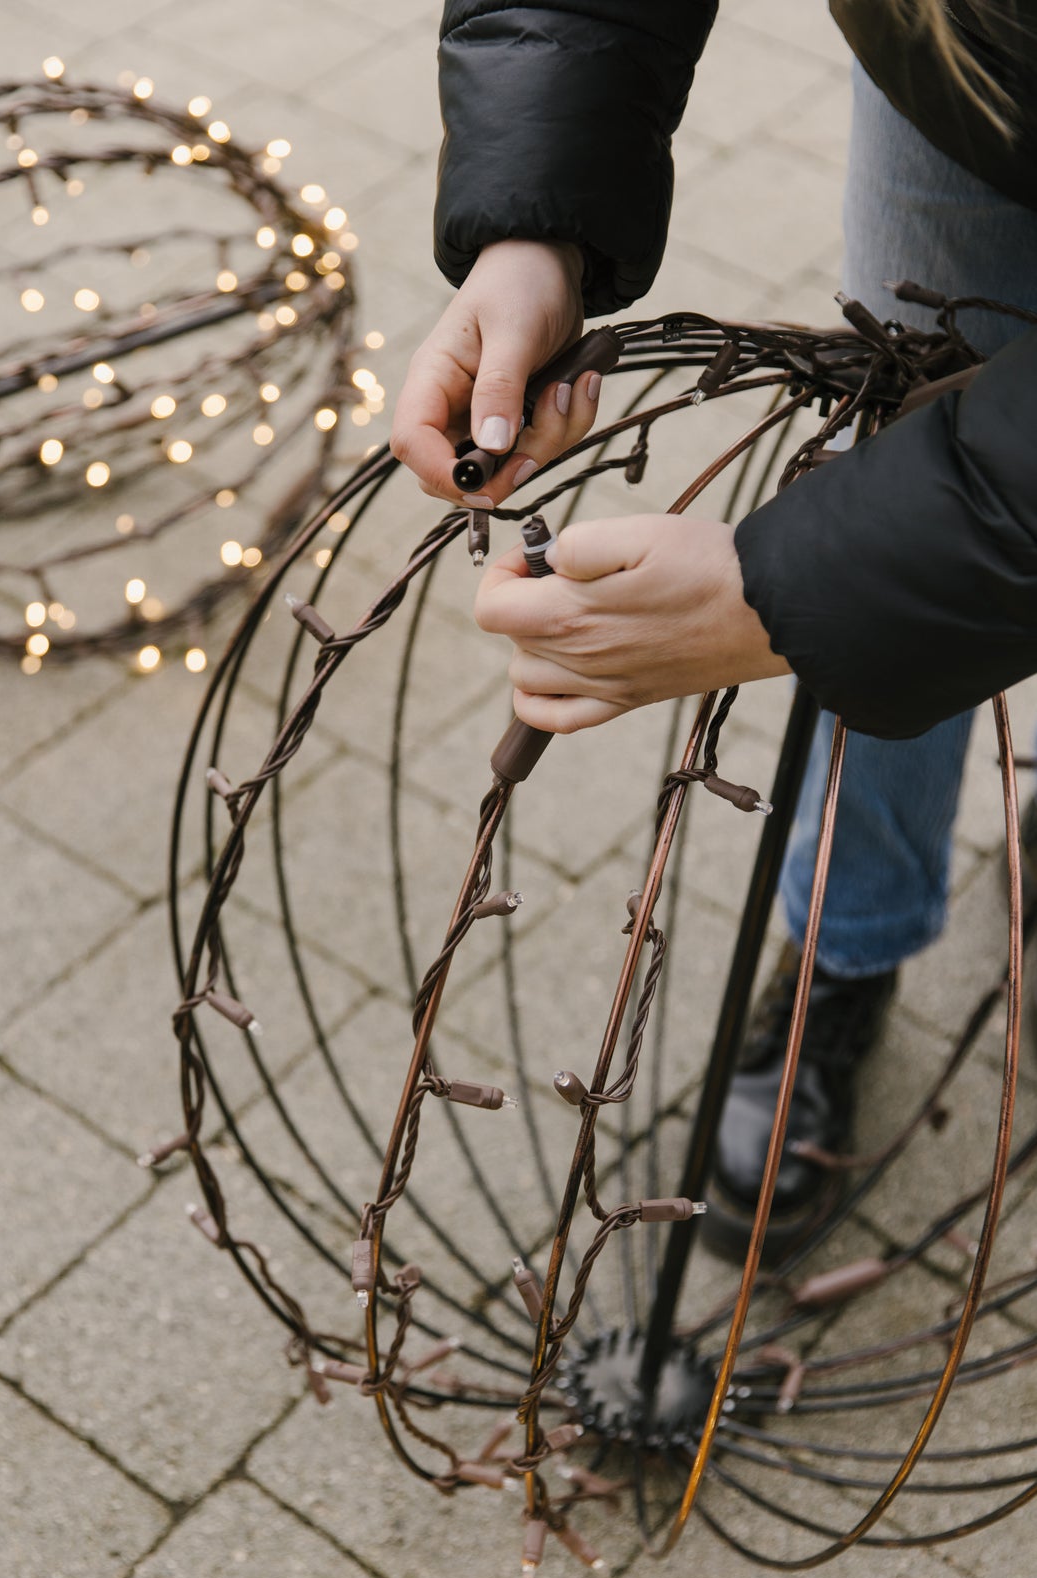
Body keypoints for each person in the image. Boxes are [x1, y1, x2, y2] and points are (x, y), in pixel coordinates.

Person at [391, 0, 1037, 1259]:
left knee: (929, 537)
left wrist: (789, 590)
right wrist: (535, 215)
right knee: (900, 435)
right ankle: (841, 954)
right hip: (968, 67)